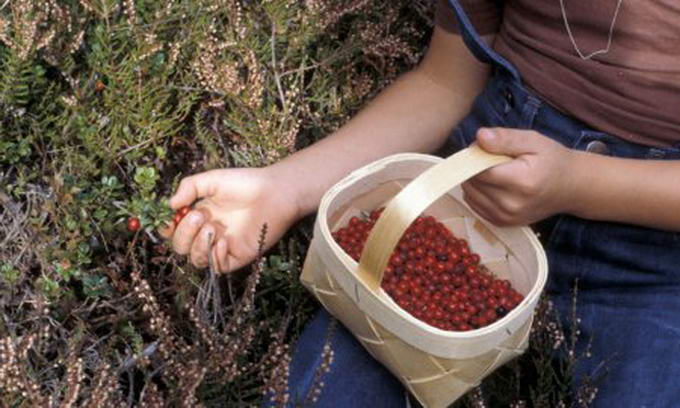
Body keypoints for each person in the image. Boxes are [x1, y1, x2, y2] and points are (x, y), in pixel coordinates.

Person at [160, 0, 680, 406]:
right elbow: (445, 80)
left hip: (654, 256)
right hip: (471, 204)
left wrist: (579, 183)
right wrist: (285, 186)